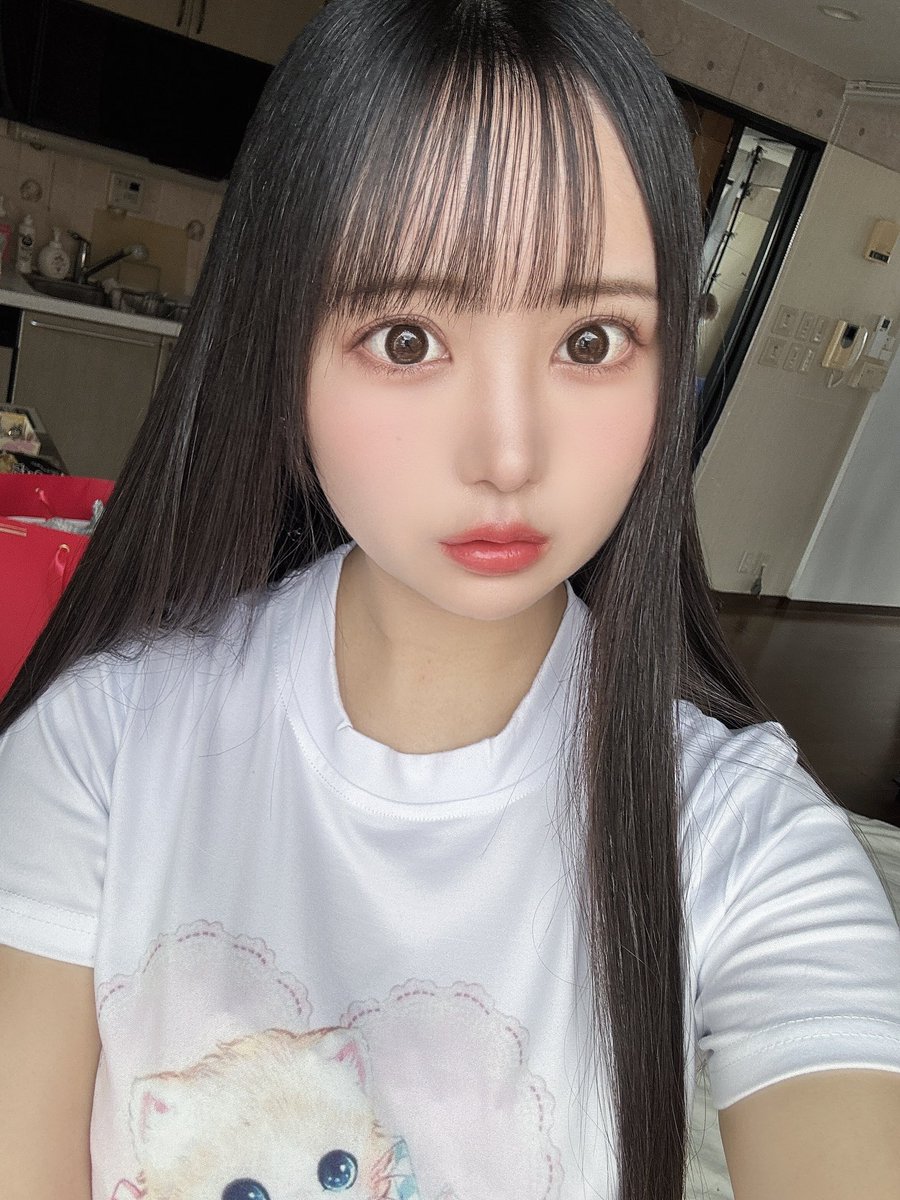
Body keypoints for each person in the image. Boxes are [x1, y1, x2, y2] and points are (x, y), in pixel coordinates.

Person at [1, 2, 899, 1198]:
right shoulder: (102, 751)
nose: (508, 454)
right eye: (408, 339)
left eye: (592, 340)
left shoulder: (742, 842)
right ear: (282, 347)